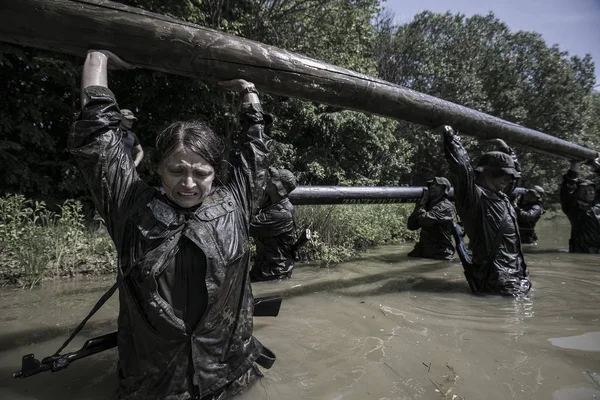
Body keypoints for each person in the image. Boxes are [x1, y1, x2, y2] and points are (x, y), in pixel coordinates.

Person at [70, 50, 275, 400]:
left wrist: (249, 93)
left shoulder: (236, 204)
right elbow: (99, 139)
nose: (189, 184)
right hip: (154, 386)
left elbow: (257, 150)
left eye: (201, 173)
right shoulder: (131, 207)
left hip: (229, 377)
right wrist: (97, 59)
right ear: (158, 168)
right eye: (177, 171)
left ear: (216, 172)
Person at [437, 125, 531, 296]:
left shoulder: (502, 195)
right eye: (503, 173)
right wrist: (451, 136)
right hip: (497, 283)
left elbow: (515, 174)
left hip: (519, 278)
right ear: (486, 172)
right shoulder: (474, 198)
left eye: (510, 175)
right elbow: (461, 168)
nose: (509, 179)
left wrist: (505, 149)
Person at [250, 168, 298, 281]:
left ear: (276, 187)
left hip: (271, 273)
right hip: (273, 270)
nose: (265, 186)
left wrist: (258, 205)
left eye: (269, 183)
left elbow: (244, 226)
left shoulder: (279, 214)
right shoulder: (283, 206)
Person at [406, 177, 456, 260]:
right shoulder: (427, 205)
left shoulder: (446, 207)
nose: (433, 187)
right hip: (423, 250)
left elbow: (424, 220)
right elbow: (411, 226)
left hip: (441, 252)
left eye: (437, 185)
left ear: (444, 189)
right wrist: (421, 205)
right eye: (432, 185)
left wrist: (421, 204)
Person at [560, 159, 600, 253]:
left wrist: (595, 165)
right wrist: (575, 165)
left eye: (590, 189)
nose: (588, 192)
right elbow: (568, 186)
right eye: (583, 190)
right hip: (584, 251)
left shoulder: (597, 203)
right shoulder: (573, 207)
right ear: (576, 193)